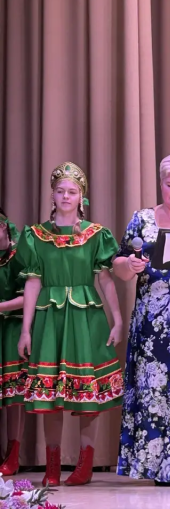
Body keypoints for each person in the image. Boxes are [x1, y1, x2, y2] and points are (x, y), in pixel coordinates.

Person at [16, 162, 123, 486]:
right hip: (50, 319)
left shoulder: (96, 234)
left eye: (72, 191)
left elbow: (105, 280)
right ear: (52, 195)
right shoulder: (35, 236)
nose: (65, 196)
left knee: (87, 393)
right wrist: (25, 329)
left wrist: (117, 319)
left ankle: (84, 465)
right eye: (60, 191)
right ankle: (52, 467)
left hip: (86, 318)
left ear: (81, 197)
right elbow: (33, 283)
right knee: (50, 396)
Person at [113, 154, 170, 485]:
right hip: (152, 327)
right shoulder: (143, 219)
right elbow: (119, 265)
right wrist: (129, 266)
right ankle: (157, 468)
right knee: (154, 393)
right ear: (161, 184)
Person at [0, 210, 26, 475]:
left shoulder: (18, 256)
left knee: (13, 395)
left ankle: (14, 453)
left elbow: (29, 295)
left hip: (12, 326)